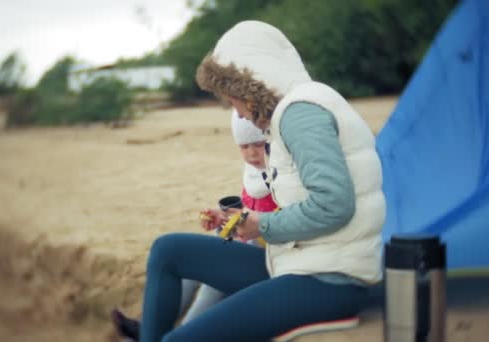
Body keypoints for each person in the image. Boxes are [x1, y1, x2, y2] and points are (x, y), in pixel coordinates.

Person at [115, 20, 385, 341]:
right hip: (296, 262)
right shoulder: (291, 112)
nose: (238, 113)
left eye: (233, 99)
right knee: (168, 251)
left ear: (250, 86)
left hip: (329, 280)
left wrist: (261, 225)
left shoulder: (301, 113)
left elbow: (333, 204)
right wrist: (244, 220)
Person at [111, 109, 278, 339]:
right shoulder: (253, 175)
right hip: (252, 247)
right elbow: (249, 213)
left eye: (258, 145)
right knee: (198, 256)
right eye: (244, 146)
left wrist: (243, 229)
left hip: (273, 261)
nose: (251, 154)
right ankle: (151, 326)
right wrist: (223, 218)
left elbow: (280, 224)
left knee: (215, 274)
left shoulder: (282, 178)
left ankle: (184, 331)